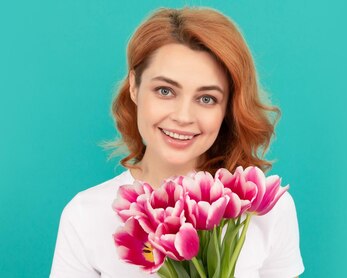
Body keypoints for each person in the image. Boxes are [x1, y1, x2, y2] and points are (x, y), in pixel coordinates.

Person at [50, 7, 304, 278]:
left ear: (228, 107)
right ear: (134, 87)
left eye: (207, 98)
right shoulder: (85, 215)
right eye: (165, 91)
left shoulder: (265, 209)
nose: (183, 117)